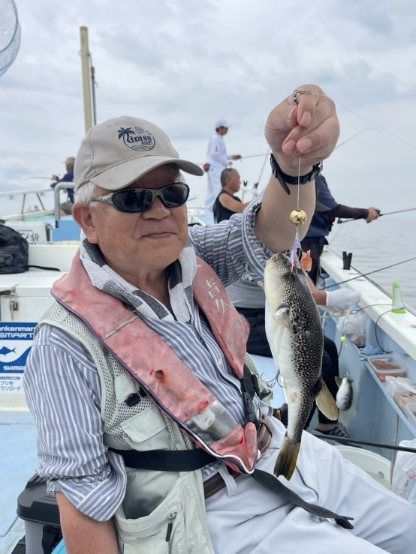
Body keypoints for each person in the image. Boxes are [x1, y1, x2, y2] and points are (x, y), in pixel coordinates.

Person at [24, 86, 415, 554]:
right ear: (87, 220)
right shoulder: (64, 346)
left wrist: (295, 164)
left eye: (172, 193)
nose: (159, 211)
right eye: (134, 199)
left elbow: (271, 231)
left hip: (280, 449)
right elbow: (83, 500)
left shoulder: (194, 257)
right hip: (211, 509)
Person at [227, 275, 360, 437]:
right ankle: (295, 433)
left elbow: (297, 271)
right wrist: (325, 298)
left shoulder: (280, 256)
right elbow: (280, 290)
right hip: (247, 320)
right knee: (319, 361)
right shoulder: (261, 258)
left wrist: (318, 295)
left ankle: (327, 425)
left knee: (330, 347)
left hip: (271, 313)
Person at [302, 173, 380, 283]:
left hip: (295, 241)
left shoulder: (293, 174)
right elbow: (334, 209)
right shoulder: (314, 177)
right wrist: (366, 213)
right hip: (308, 244)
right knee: (306, 287)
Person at [204, 118, 241, 212]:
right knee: (218, 189)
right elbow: (215, 154)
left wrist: (231, 157)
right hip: (216, 168)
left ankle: (208, 212)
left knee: (211, 191)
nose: (227, 130)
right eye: (225, 128)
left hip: (214, 167)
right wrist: (227, 162)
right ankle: (218, 210)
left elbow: (220, 154)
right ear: (220, 128)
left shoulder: (217, 138)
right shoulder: (216, 139)